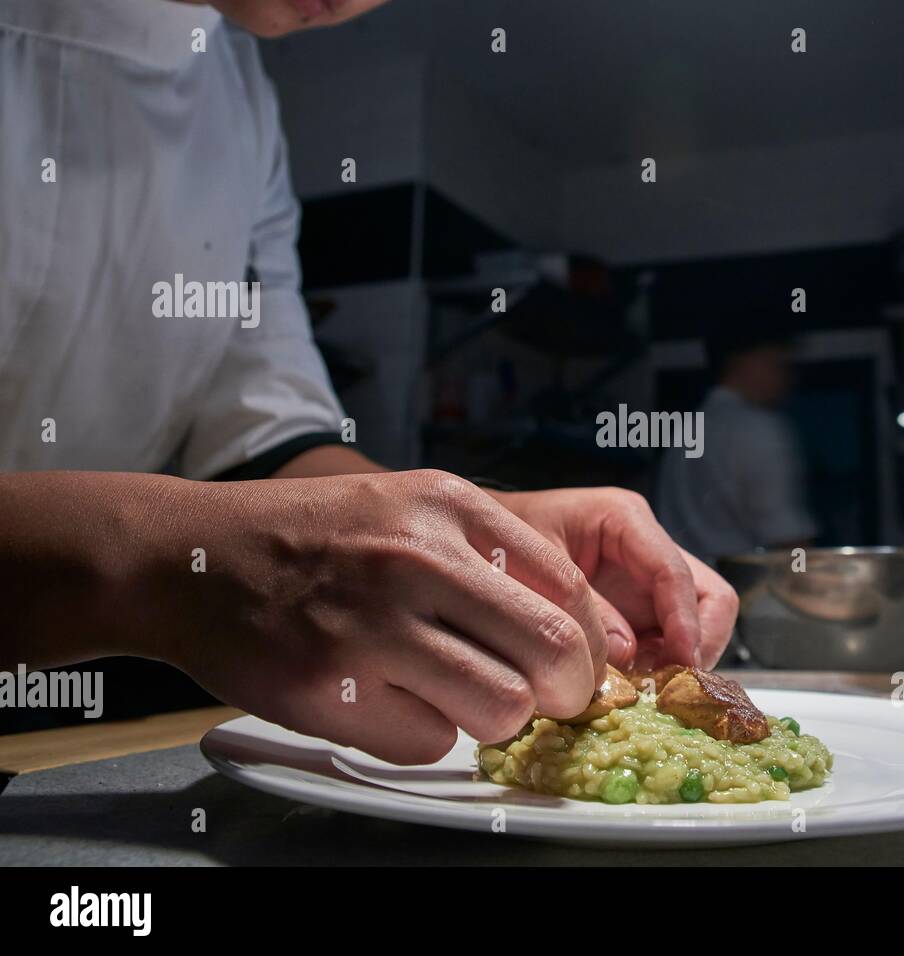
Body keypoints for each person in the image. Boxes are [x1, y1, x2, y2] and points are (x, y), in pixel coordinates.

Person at [0, 0, 737, 764]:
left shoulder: (239, 96)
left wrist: (491, 534)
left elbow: (266, 436)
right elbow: (223, 536)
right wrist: (171, 566)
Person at [655, 319, 818, 564]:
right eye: (780, 365)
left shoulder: (684, 429)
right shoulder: (758, 429)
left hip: (683, 588)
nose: (788, 380)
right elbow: (789, 541)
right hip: (743, 593)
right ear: (746, 362)